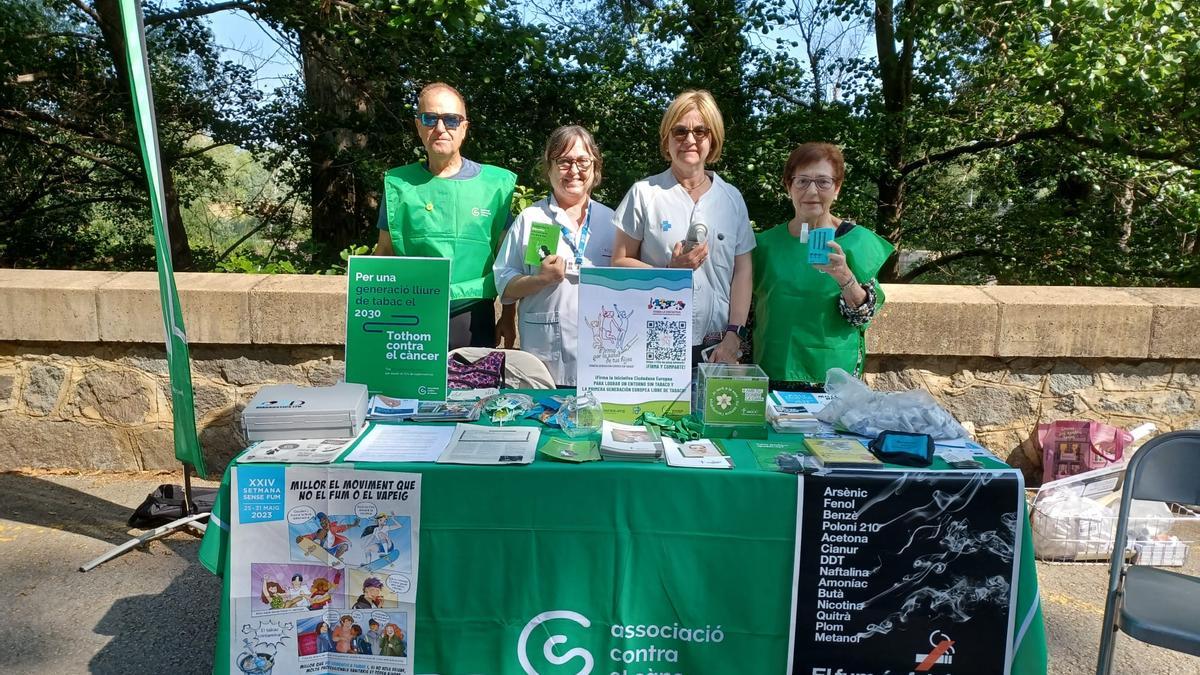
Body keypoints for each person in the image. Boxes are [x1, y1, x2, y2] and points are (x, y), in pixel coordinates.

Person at [611, 90, 755, 366]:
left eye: (700, 131)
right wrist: (669, 275)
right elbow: (618, 262)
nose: (690, 140)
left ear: (712, 140)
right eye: (680, 131)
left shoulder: (731, 198)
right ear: (667, 139)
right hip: (654, 336)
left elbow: (743, 271)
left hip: (718, 344)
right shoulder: (644, 193)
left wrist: (734, 334)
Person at [374, 81, 518, 349]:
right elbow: (383, 255)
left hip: (474, 318)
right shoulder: (399, 186)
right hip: (410, 317)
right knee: (408, 392)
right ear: (418, 126)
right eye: (430, 118)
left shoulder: (495, 187)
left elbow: (508, 262)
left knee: (475, 392)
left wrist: (509, 316)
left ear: (464, 128)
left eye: (451, 120)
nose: (440, 128)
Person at [752, 142, 894, 389]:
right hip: (771, 369)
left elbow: (863, 315)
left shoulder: (856, 242)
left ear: (837, 188)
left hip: (833, 375)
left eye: (823, 182)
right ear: (789, 187)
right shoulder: (763, 245)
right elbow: (747, 312)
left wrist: (846, 278)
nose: (812, 191)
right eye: (802, 181)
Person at [493, 125, 615, 385]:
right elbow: (504, 285)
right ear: (548, 167)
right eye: (564, 162)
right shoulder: (531, 219)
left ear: (596, 166)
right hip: (543, 358)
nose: (574, 171)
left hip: (603, 361)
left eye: (583, 161)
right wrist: (540, 279)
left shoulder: (612, 221)